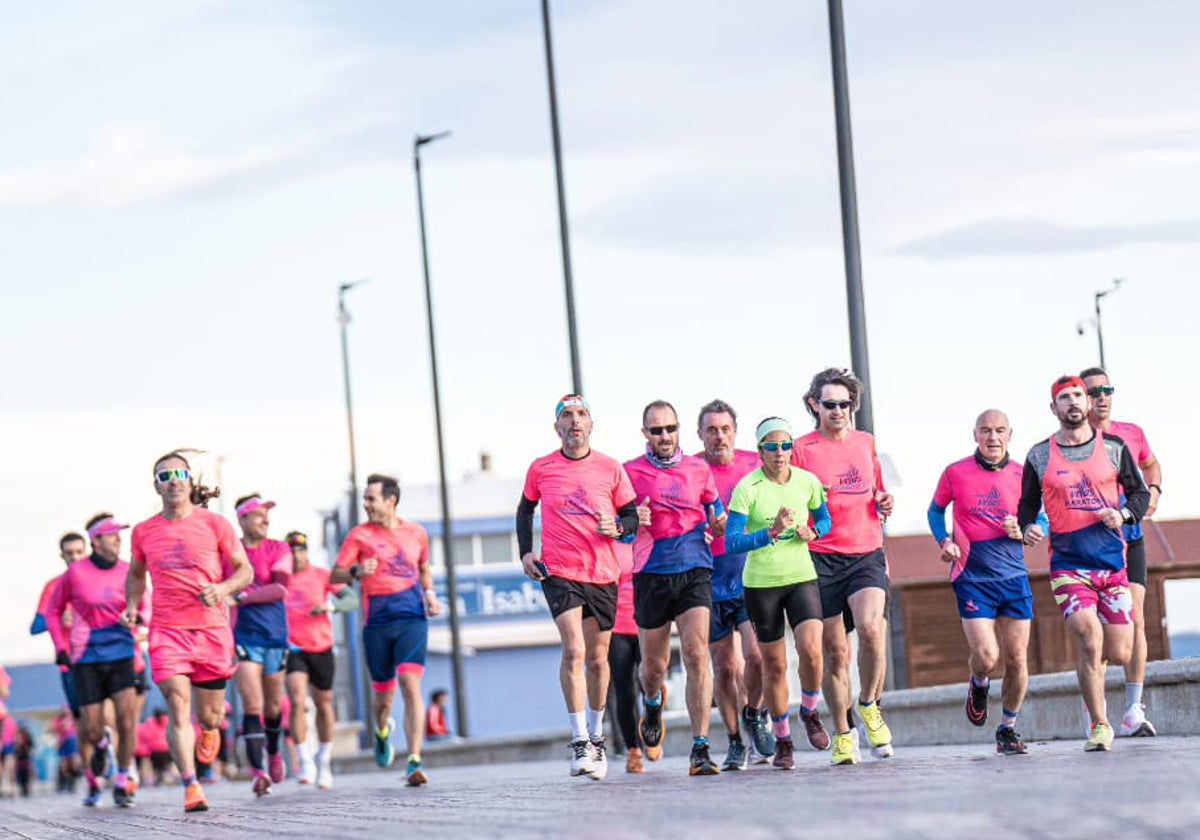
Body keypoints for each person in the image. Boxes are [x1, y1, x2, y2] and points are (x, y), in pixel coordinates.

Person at [1017, 375, 1151, 751]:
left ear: (1088, 403)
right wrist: (1029, 525)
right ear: (1053, 407)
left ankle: (1091, 690)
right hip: (1068, 565)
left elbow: (1140, 494)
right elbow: (1027, 503)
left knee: (1120, 651)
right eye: (1064, 397)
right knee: (1089, 640)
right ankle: (1100, 724)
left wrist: (1123, 515)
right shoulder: (1039, 454)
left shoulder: (1114, 448)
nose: (1073, 402)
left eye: (1078, 395)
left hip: (1112, 565)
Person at [517, 394, 639, 781]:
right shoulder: (541, 468)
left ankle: (598, 737)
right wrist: (525, 553)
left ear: (591, 424)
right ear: (557, 427)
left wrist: (618, 528)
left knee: (597, 659)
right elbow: (525, 509)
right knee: (573, 649)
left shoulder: (610, 468)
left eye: (581, 415)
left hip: (603, 572)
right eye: (566, 416)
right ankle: (579, 739)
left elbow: (631, 516)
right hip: (560, 571)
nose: (574, 422)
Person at [126, 451, 253, 812]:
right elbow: (135, 574)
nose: (174, 480)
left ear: (190, 480)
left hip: (211, 630)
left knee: (210, 715)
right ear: (157, 486)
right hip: (168, 631)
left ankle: (211, 729)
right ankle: (191, 784)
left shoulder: (216, 525)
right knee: (178, 704)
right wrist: (134, 607)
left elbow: (245, 570)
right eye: (165, 476)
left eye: (180, 473)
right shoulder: (144, 531)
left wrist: (224, 589)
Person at [794, 367, 895, 765]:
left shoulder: (866, 442)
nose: (838, 411)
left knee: (872, 629)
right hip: (820, 559)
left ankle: (869, 703)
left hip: (866, 551)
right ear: (814, 405)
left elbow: (878, 491)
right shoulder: (802, 450)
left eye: (845, 404)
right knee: (836, 653)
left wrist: (884, 501)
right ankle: (843, 732)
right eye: (830, 404)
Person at [929, 410, 1039, 755]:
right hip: (972, 576)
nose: (993, 437)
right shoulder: (955, 472)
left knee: (1018, 659)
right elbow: (935, 511)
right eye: (986, 431)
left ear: (1011, 434)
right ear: (975, 434)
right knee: (987, 655)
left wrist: (1031, 530)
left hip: (1014, 577)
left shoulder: (1025, 475)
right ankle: (978, 682)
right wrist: (944, 542)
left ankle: (1007, 728)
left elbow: (1042, 518)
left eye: (1000, 431)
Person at [624, 399, 724, 777]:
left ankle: (700, 748)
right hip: (651, 571)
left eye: (670, 429)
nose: (664, 437)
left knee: (698, 653)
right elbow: (618, 523)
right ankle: (652, 702)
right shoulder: (629, 472)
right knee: (654, 666)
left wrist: (718, 526)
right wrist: (634, 517)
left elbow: (716, 512)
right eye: (656, 430)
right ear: (645, 434)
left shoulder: (698, 469)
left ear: (679, 429)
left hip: (694, 566)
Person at [724, 417, 830, 770]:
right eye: (772, 446)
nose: (780, 453)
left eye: (786, 445)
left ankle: (811, 712)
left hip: (801, 576)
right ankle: (783, 739)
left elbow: (825, 519)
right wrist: (771, 532)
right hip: (761, 584)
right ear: (760, 452)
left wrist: (813, 531)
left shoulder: (807, 482)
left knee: (813, 651)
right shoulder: (748, 488)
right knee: (775, 664)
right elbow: (732, 541)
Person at [332, 473, 441, 786]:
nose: (366, 504)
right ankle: (383, 731)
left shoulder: (416, 533)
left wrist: (430, 595)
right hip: (377, 622)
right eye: (365, 498)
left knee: (410, 684)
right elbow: (336, 577)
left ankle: (414, 760)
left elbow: (423, 568)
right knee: (383, 701)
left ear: (390, 501)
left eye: (371, 498)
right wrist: (355, 570)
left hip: (412, 617)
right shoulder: (359, 536)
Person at [1081, 366, 1163, 737]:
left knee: (1137, 621)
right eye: (1093, 391)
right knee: (1092, 633)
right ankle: (1094, 710)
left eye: (1106, 390)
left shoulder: (1132, 433)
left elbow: (1150, 463)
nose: (1101, 397)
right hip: (1090, 548)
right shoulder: (1072, 441)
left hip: (1131, 538)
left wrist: (1155, 490)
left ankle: (1133, 709)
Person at [696, 398, 778, 767]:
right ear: (700, 435)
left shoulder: (753, 464)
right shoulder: (691, 469)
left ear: (735, 431)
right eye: (711, 430)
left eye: (725, 429)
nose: (719, 437)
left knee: (757, 657)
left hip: (749, 576)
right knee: (724, 667)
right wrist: (705, 528)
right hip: (708, 581)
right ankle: (733, 741)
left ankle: (754, 712)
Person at [47, 513, 149, 807]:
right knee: (91, 729)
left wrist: (138, 619)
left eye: (119, 534)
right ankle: (102, 745)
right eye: (111, 534)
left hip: (121, 653)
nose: (118, 539)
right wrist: (60, 646)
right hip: (86, 656)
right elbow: (54, 611)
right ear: (96, 540)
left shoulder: (130, 570)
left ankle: (121, 780)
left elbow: (145, 605)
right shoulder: (75, 573)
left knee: (127, 721)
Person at [227, 493, 293, 797]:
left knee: (272, 706)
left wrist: (242, 595)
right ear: (242, 520)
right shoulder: (229, 553)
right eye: (258, 515)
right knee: (252, 705)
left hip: (276, 636)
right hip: (245, 636)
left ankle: (275, 751)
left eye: (267, 515)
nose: (265, 520)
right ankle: (258, 772)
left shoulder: (279, 548)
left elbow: (279, 588)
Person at [285, 529, 358, 789]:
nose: (296, 555)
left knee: (323, 703)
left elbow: (351, 599)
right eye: (292, 551)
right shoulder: (281, 579)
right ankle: (305, 761)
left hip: (322, 646)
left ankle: (324, 759)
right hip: (293, 647)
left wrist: (331, 606)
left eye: (301, 550)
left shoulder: (321, 575)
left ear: (307, 552)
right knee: (296, 700)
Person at [32, 533, 89, 719]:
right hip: (70, 663)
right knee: (84, 722)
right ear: (62, 556)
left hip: (101, 657)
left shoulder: (98, 580)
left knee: (111, 716)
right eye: (69, 553)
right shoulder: (53, 586)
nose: (75, 557)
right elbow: (36, 626)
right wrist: (57, 618)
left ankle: (112, 747)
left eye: (79, 552)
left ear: (87, 551)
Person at [607, 538, 643, 773]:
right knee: (624, 690)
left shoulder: (645, 538)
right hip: (616, 628)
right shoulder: (607, 544)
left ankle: (652, 726)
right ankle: (633, 749)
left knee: (651, 682)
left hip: (647, 624)